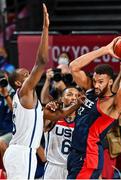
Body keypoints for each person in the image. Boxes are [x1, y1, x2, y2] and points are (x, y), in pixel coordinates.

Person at [67, 37, 121, 179]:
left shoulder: (112, 104)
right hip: (75, 153)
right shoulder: (91, 91)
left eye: (101, 82)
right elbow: (73, 67)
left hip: (88, 155)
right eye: (95, 81)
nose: (96, 85)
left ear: (111, 81)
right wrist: (104, 50)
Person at [2, 4, 50, 179]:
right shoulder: (24, 91)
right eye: (25, 74)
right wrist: (45, 28)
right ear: (18, 82)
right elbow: (42, 60)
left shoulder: (21, 97)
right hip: (22, 154)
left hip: (17, 152)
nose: (29, 74)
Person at [43, 87, 79, 179]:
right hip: (53, 167)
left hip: (73, 168)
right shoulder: (53, 117)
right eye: (70, 94)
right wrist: (47, 110)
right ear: (61, 99)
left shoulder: (81, 121)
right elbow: (43, 122)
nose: (74, 98)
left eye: (77, 96)